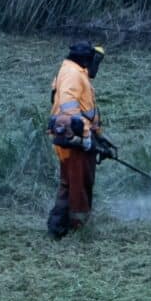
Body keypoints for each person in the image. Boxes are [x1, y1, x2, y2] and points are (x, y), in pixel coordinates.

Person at [46, 42, 113, 238]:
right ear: (85, 59)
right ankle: (79, 230)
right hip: (73, 140)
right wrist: (85, 137)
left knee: (69, 185)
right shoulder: (73, 75)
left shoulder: (73, 71)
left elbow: (86, 111)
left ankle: (58, 227)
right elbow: (70, 109)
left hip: (73, 137)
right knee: (79, 187)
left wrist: (99, 136)